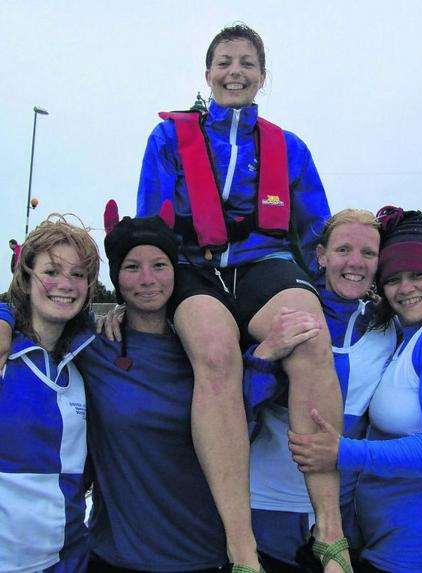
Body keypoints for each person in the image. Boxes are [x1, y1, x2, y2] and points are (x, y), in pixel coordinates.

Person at [137, 23, 345, 572]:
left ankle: (330, 532)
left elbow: (317, 230)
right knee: (215, 352)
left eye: (247, 63)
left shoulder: (289, 147)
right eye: (225, 61)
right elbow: (148, 223)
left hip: (262, 263)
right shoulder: (167, 140)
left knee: (310, 332)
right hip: (194, 267)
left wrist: (338, 293)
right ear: (208, 74)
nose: (236, 71)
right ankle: (241, 546)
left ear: (262, 77)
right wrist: (138, 296)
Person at [0, 213, 315, 572]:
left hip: (202, 554)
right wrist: (4, 316)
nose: (147, 279)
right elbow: (39, 313)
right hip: (112, 557)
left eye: (160, 265)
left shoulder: (208, 352)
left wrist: (263, 357)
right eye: (132, 266)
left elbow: (242, 422)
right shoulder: (93, 346)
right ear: (116, 278)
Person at [289, 207, 422, 573]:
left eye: (419, 275)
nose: (406, 288)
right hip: (377, 541)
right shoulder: (398, 334)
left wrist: (344, 452)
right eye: (394, 278)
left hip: (420, 550)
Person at [245, 209, 397, 572]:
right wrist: (263, 357)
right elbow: (237, 412)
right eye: (343, 249)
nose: (355, 263)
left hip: (345, 521)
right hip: (268, 512)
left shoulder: (390, 326)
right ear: (321, 256)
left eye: (368, 253)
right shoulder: (285, 310)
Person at [0, 215, 99, 573]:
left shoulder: (85, 364)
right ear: (26, 280)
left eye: (78, 275)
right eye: (52, 271)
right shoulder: (4, 354)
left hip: (69, 561)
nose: (65, 285)